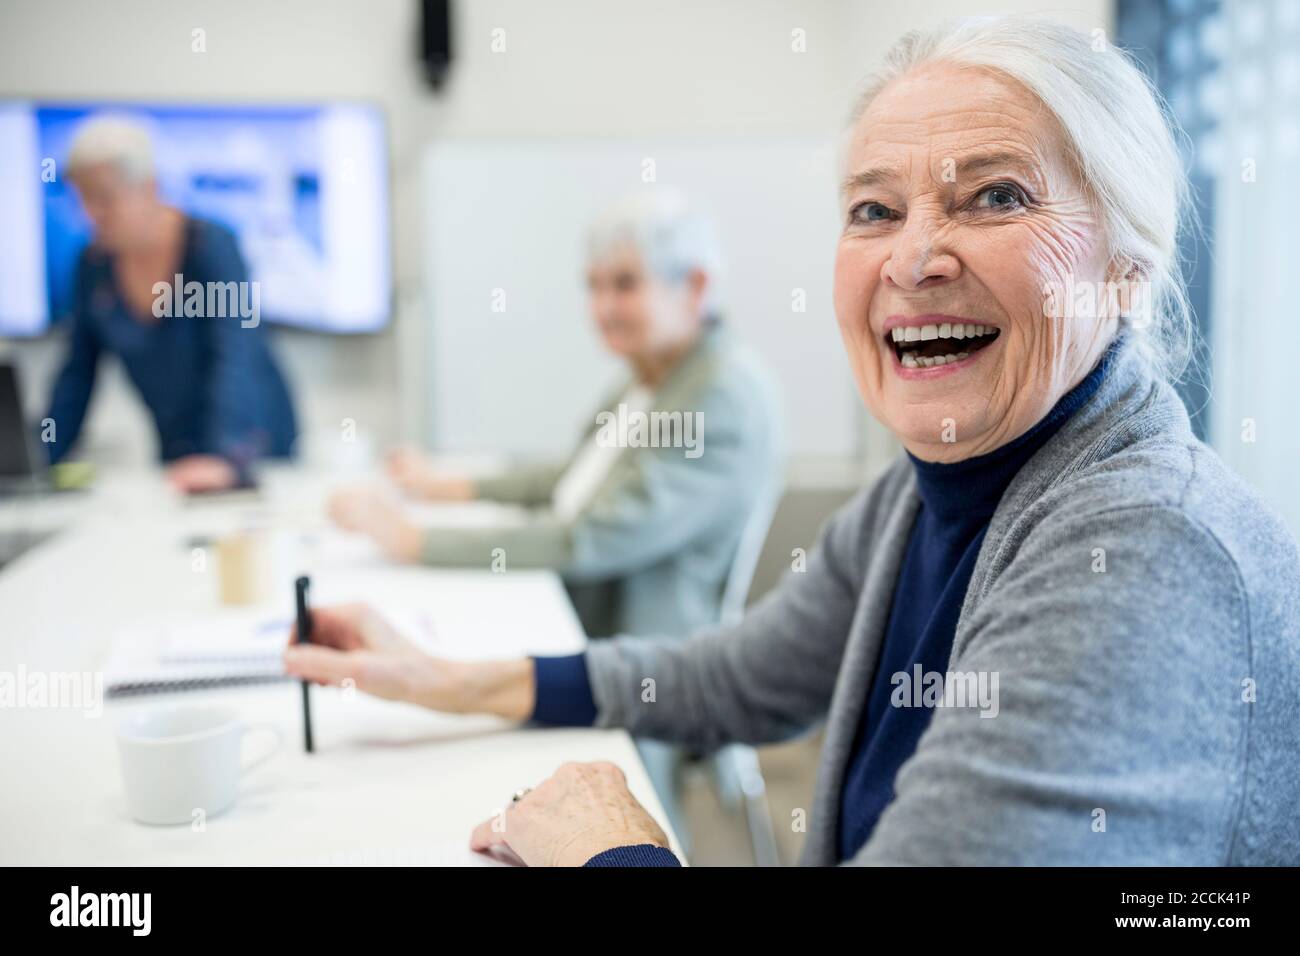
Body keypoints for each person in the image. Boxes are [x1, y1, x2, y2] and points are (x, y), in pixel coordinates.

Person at [285, 17, 1300, 866]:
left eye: (995, 194)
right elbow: (737, 675)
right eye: (873, 208)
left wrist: (618, 852)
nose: (911, 257)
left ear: (1126, 266)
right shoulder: (932, 487)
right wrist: (444, 675)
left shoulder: (1142, 554)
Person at [329, 190, 782, 843]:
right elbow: (572, 479)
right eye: (592, 286)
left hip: (646, 651)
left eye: (624, 284)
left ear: (697, 285)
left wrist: (415, 538)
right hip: (585, 608)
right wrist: (449, 487)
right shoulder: (653, 373)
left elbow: (592, 536)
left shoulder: (723, 395)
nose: (601, 308)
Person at [45, 116, 297, 492]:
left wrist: (224, 455)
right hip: (177, 449)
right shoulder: (93, 265)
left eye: (103, 199)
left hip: (249, 441)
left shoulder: (211, 247)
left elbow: (235, 352)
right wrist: (40, 457)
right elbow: (77, 375)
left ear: (149, 188)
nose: (90, 214)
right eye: (82, 199)